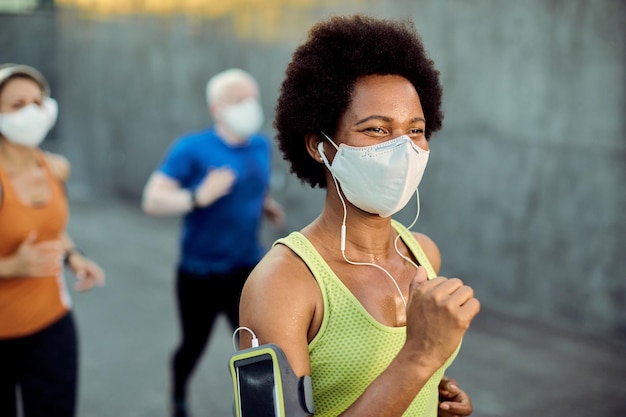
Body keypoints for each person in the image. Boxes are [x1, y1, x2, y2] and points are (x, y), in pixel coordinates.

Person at [239, 15, 481, 417]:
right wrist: (418, 358)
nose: (403, 150)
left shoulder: (424, 255)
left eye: (416, 130)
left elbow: (404, 390)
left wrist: (434, 395)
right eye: (377, 131)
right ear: (320, 146)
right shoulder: (282, 284)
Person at [142, 68, 285, 417]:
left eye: (251, 97)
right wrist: (197, 196)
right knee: (193, 345)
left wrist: (265, 206)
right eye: (238, 100)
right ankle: (178, 395)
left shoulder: (260, 146)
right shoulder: (192, 148)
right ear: (216, 108)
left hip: (247, 268)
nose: (248, 106)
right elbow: (152, 200)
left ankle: (260, 408)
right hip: (200, 272)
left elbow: (255, 188)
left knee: (255, 347)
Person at [0, 63, 105, 417]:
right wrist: (13, 265)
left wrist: (74, 255)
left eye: (37, 101)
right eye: (17, 105)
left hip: (51, 325)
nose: (31, 111)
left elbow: (49, 228)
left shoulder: (55, 167)